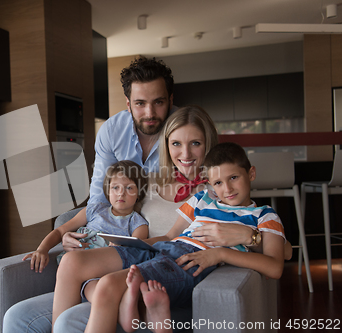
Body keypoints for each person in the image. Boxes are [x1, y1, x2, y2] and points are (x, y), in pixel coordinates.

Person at [2, 60, 255, 332]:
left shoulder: (215, 188)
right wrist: (87, 229)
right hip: (130, 251)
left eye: (158, 102)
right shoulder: (147, 178)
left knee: (69, 319)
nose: (149, 112)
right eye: (140, 103)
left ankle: (116, 297)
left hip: (159, 262)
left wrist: (251, 237)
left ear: (171, 101)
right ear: (128, 103)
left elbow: (249, 221)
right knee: (17, 316)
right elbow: (105, 196)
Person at [53, 142, 286, 333]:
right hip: (165, 248)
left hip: (189, 261)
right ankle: (134, 306)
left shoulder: (264, 215)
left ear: (251, 173)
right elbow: (171, 236)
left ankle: (134, 306)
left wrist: (220, 254)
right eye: (218, 183)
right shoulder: (203, 199)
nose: (227, 188)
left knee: (106, 286)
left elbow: (275, 267)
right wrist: (135, 244)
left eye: (234, 177)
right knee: (71, 261)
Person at [22, 160, 149, 272]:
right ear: (107, 191)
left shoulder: (138, 224)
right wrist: (42, 249)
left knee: (91, 287)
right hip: (71, 265)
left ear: (139, 193)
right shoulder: (94, 210)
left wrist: (118, 249)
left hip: (103, 268)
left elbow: (134, 254)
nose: (121, 193)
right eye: (115, 187)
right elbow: (61, 230)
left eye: (129, 188)